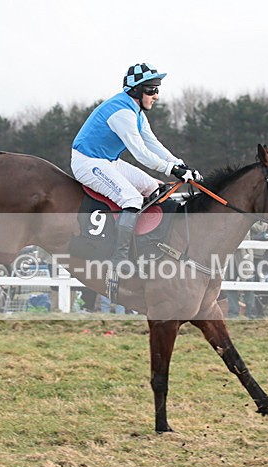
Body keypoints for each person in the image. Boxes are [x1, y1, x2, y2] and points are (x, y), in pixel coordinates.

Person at [71, 62, 201, 302]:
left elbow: (154, 144)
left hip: (109, 160)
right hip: (88, 162)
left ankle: (146, 247)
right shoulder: (122, 113)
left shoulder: (136, 112)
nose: (156, 95)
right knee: (131, 198)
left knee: (155, 188)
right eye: (151, 90)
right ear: (135, 91)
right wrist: (171, 169)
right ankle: (119, 261)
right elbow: (140, 153)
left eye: (157, 89)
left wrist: (181, 165)